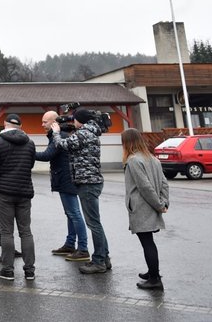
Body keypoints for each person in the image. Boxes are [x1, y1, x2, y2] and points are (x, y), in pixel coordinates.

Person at [50, 108, 110, 274]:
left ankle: (99, 261)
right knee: (95, 222)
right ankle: (105, 258)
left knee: (93, 223)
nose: (73, 122)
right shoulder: (92, 131)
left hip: (87, 182)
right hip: (92, 181)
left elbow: (63, 144)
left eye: (75, 119)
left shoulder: (83, 133)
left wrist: (56, 132)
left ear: (79, 120)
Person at [0, 113, 36, 281]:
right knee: (26, 231)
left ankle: (8, 270)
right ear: (19, 126)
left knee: (7, 232)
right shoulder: (30, 143)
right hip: (24, 192)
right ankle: (29, 271)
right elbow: (31, 165)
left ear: (5, 125)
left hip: (3, 193)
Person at [35, 111, 90, 262]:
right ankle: (70, 244)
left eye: (45, 121)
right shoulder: (60, 135)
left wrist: (27, 151)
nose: (42, 124)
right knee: (70, 214)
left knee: (74, 214)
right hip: (66, 178)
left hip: (67, 179)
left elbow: (47, 155)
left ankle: (83, 249)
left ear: (54, 122)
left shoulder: (59, 136)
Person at [121, 128, 169, 290]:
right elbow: (164, 183)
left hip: (142, 207)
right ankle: (152, 271)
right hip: (152, 206)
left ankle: (155, 279)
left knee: (147, 243)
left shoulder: (133, 160)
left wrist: (159, 205)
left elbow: (144, 186)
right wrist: (164, 202)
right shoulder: (153, 159)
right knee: (149, 241)